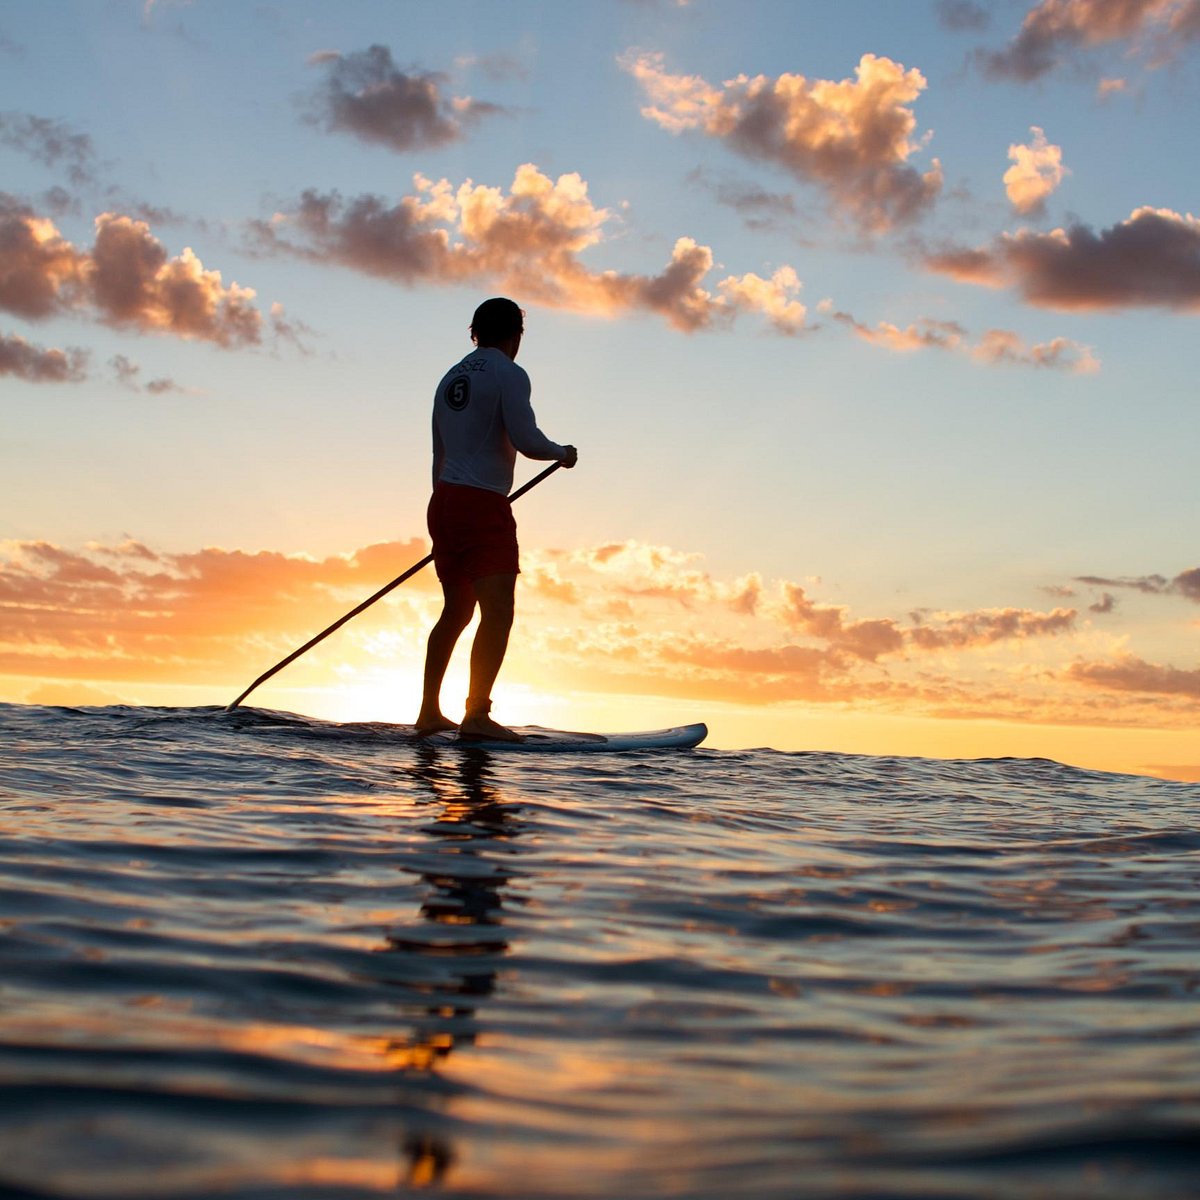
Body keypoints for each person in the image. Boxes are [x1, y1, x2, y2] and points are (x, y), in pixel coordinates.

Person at [416, 298, 577, 741]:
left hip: (443, 502)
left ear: (475, 332)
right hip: (482, 504)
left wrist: (445, 516)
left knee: (456, 611)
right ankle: (477, 715)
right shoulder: (510, 372)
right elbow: (527, 440)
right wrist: (562, 453)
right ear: (515, 335)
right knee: (498, 613)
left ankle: (429, 711)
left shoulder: (450, 377)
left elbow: (439, 454)